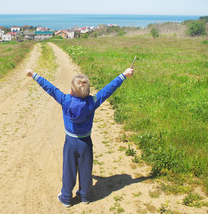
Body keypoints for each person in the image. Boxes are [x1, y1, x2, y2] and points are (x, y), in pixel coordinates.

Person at [26, 67, 134, 207]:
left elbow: (50, 88)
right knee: (85, 170)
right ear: (88, 93)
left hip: (70, 142)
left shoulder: (65, 100)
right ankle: (84, 196)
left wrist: (34, 75)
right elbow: (108, 89)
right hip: (85, 142)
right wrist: (123, 75)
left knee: (69, 170)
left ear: (71, 91)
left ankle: (66, 198)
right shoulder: (92, 102)